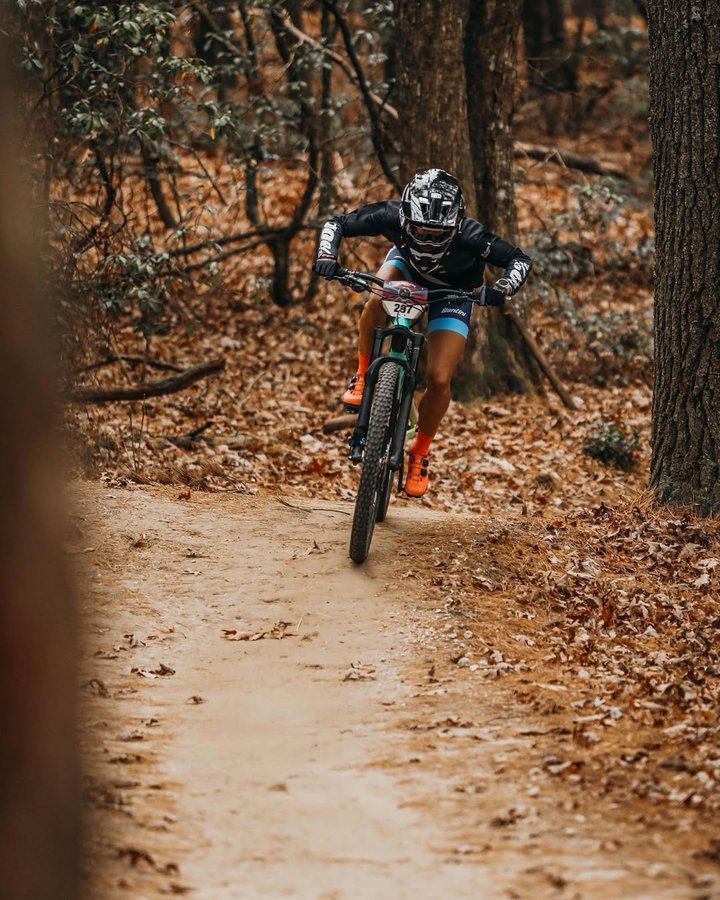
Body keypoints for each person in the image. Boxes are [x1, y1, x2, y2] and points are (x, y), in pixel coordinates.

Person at [313, 168, 532, 498]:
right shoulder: (389, 215)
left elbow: (518, 259)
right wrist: (327, 256)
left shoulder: (471, 235)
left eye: (437, 234)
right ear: (404, 219)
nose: (428, 240)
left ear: (455, 225)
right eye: (420, 231)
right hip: (406, 270)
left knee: (440, 378)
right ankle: (361, 375)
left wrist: (502, 287)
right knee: (375, 298)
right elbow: (337, 223)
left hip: (455, 292)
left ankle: (419, 452)